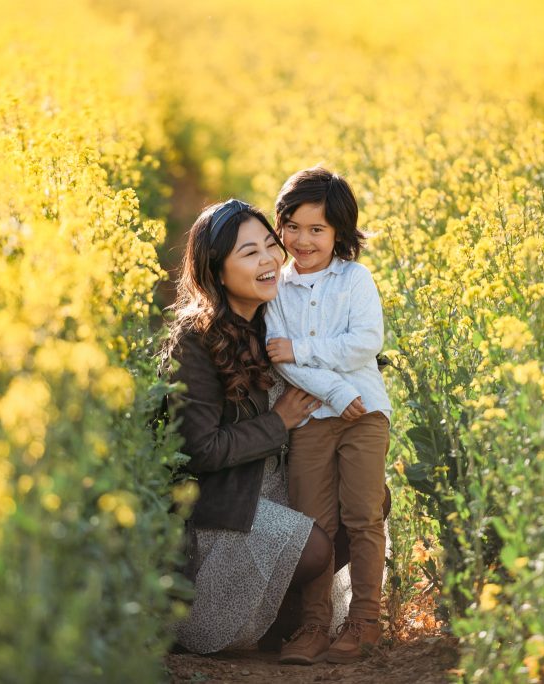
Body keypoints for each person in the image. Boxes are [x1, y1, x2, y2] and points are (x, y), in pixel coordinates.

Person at [162, 199, 333, 654]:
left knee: (364, 502)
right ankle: (238, 621)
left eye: (270, 245)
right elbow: (201, 449)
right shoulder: (194, 341)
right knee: (315, 549)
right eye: (249, 252)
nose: (268, 260)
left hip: (273, 482)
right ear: (217, 271)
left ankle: (284, 618)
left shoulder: (276, 320)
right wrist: (279, 422)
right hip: (224, 504)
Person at [264, 167, 392, 664]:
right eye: (292, 226)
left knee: (362, 516)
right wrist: (336, 388)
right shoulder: (278, 288)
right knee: (311, 523)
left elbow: (366, 343)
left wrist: (302, 349)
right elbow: (281, 360)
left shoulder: (356, 280)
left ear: (339, 231)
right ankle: (314, 626)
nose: (302, 239)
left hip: (366, 414)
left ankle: (365, 619)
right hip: (316, 416)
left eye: (316, 229)